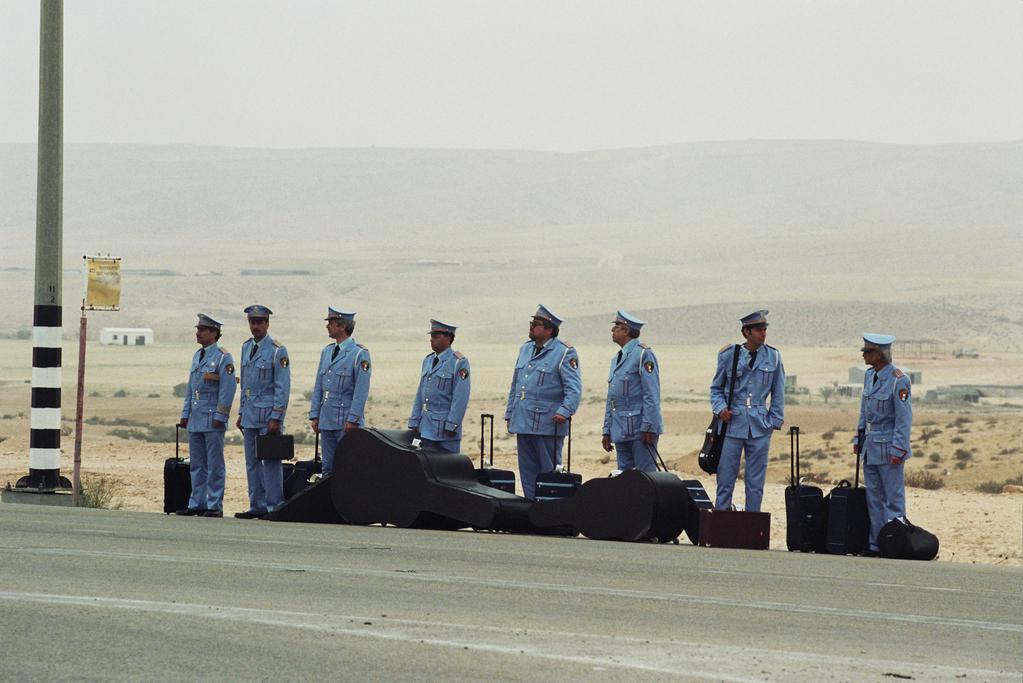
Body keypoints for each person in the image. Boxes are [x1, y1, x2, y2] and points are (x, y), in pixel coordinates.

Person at [709, 309, 785, 512]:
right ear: (746, 332)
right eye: (759, 329)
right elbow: (716, 389)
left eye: (765, 329)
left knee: (756, 482)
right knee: (725, 478)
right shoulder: (728, 355)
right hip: (732, 425)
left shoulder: (774, 357)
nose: (763, 333)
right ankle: (722, 519)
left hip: (760, 426)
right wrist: (721, 409)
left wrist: (774, 421)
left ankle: (753, 521)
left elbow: (778, 392)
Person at [504, 305, 582, 499]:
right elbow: (516, 384)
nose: (531, 327)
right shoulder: (525, 349)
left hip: (548, 424)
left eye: (536, 324)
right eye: (531, 323)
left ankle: (550, 509)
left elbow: (573, 389)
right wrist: (510, 413)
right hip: (523, 421)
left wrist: (564, 411)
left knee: (549, 472)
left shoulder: (564, 352)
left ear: (549, 330)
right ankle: (532, 507)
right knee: (527, 472)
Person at [854, 333, 912, 557]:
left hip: (889, 448)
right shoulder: (869, 376)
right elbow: (864, 411)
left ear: (879, 355)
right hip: (870, 447)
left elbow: (903, 419)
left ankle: (895, 544)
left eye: (868, 352)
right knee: (874, 499)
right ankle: (876, 544)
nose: (864, 355)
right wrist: (858, 438)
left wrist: (899, 448)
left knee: (893, 500)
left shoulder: (899, 380)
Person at [176, 314, 236, 517]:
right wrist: (185, 414)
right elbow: (191, 388)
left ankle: (214, 504)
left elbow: (227, 389)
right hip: (196, 418)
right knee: (197, 464)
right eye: (198, 329)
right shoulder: (197, 355)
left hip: (213, 419)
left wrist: (221, 416)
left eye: (202, 330)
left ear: (213, 333)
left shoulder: (223, 357)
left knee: (215, 464)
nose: (198, 333)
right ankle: (197, 503)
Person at [234, 305, 291, 519]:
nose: (255, 326)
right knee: (252, 463)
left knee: (271, 462)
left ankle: (274, 505)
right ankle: (256, 504)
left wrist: (277, 416)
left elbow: (282, 386)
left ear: (267, 324)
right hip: (250, 415)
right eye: (252, 322)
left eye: (259, 322)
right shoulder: (246, 347)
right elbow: (245, 384)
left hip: (268, 416)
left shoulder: (277, 350)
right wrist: (241, 412)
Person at [309, 307, 371, 475]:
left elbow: (361, 390)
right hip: (326, 419)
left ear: (342, 326)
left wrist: (353, 419)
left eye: (331, 323)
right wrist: (315, 414)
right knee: (328, 468)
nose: (327, 326)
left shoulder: (359, 354)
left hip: (345, 421)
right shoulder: (327, 352)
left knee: (348, 468)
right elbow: (319, 385)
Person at [601, 310, 663, 471]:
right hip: (620, 429)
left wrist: (649, 426)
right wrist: (607, 430)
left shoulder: (643, 354)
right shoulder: (617, 359)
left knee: (645, 478)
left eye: (616, 327)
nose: (612, 330)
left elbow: (651, 394)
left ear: (626, 331)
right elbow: (612, 398)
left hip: (639, 430)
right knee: (624, 479)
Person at [408, 319, 471, 453]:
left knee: (448, 465)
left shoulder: (458, 363)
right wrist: (414, 420)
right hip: (425, 429)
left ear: (448, 338)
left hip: (445, 431)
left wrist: (452, 425)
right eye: (431, 336)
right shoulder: (428, 360)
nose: (432, 340)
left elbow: (460, 398)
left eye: (436, 337)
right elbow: (420, 393)